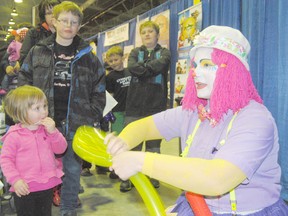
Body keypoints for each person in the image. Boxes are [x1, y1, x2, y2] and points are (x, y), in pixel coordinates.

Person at [105, 25, 288, 215]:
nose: (196, 72)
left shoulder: (255, 118)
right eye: (196, 65)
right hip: (194, 205)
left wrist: (141, 161)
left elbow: (217, 179)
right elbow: (143, 126)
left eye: (207, 64)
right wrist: (123, 142)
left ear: (233, 70)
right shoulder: (194, 111)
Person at [18, 1, 106, 216]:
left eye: (74, 22)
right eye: (64, 20)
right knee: (41, 171)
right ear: (54, 22)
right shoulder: (38, 51)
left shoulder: (89, 57)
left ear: (79, 26)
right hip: (41, 125)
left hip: (75, 124)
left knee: (73, 171)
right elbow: (24, 81)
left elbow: (99, 90)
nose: (69, 25)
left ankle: (68, 210)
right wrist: (26, 114)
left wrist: (90, 114)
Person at [0, 85, 67, 216]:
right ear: (21, 111)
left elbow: (61, 149)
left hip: (47, 185)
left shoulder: (48, 130)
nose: (44, 112)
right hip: (24, 187)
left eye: (45, 106)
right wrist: (15, 180)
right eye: (37, 108)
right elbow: (6, 160)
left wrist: (54, 132)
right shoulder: (14, 135)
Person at [122, 20, 171, 191]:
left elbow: (160, 65)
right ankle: (129, 177)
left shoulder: (165, 53)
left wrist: (143, 69)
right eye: (144, 32)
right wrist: (148, 69)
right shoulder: (135, 52)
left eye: (151, 31)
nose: (147, 34)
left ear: (157, 34)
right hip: (134, 105)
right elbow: (132, 68)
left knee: (153, 145)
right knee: (132, 143)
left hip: (156, 106)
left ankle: (153, 176)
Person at [104, 45, 131, 180]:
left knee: (131, 138)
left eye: (116, 59)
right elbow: (109, 95)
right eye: (111, 61)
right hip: (118, 112)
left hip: (132, 111)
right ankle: (116, 167)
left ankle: (130, 165)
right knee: (118, 140)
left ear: (123, 58)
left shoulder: (130, 72)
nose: (114, 63)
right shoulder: (110, 77)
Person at [19, 0, 61, 65]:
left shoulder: (68, 33)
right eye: (49, 13)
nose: (53, 15)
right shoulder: (33, 33)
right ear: (43, 16)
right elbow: (24, 59)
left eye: (56, 12)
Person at [0, 27, 29, 91]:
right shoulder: (12, 45)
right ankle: (4, 89)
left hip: (22, 86)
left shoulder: (32, 48)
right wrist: (6, 67)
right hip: (14, 87)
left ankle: (3, 89)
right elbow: (4, 59)